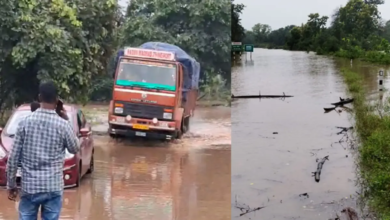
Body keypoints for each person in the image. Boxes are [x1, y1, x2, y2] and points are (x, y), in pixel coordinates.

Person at [6, 81, 80, 220]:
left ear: (40, 97)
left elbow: (13, 158)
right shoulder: (63, 125)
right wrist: (65, 119)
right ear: (57, 100)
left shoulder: (24, 123)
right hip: (53, 188)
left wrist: (11, 185)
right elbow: (74, 148)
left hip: (29, 187)